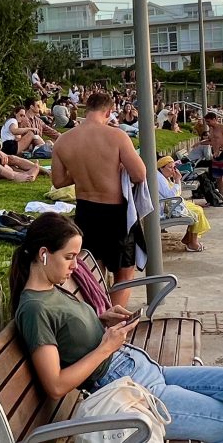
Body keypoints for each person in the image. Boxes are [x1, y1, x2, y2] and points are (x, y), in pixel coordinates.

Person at [11, 213, 223, 442]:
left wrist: (101, 320)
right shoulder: (35, 309)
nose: (76, 266)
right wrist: (106, 348)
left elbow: (67, 335)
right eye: (69, 257)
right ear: (44, 253)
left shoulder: (52, 288)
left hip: (145, 369)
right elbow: (56, 385)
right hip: (130, 391)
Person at [51, 91, 148, 306]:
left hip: (85, 212)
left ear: (86, 109)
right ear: (109, 111)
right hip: (115, 213)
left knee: (94, 274)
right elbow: (140, 174)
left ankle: (97, 315)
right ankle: (113, 320)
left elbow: (58, 181)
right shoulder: (116, 136)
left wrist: (81, 171)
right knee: (124, 275)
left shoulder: (63, 141)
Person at [158, 156, 209, 252]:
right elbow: (170, 195)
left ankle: (188, 239)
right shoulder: (159, 179)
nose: (173, 170)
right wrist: (177, 181)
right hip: (167, 208)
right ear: (161, 168)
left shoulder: (164, 177)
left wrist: (177, 180)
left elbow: (177, 193)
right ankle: (193, 243)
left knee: (197, 208)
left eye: (174, 167)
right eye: (170, 167)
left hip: (172, 204)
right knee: (197, 211)